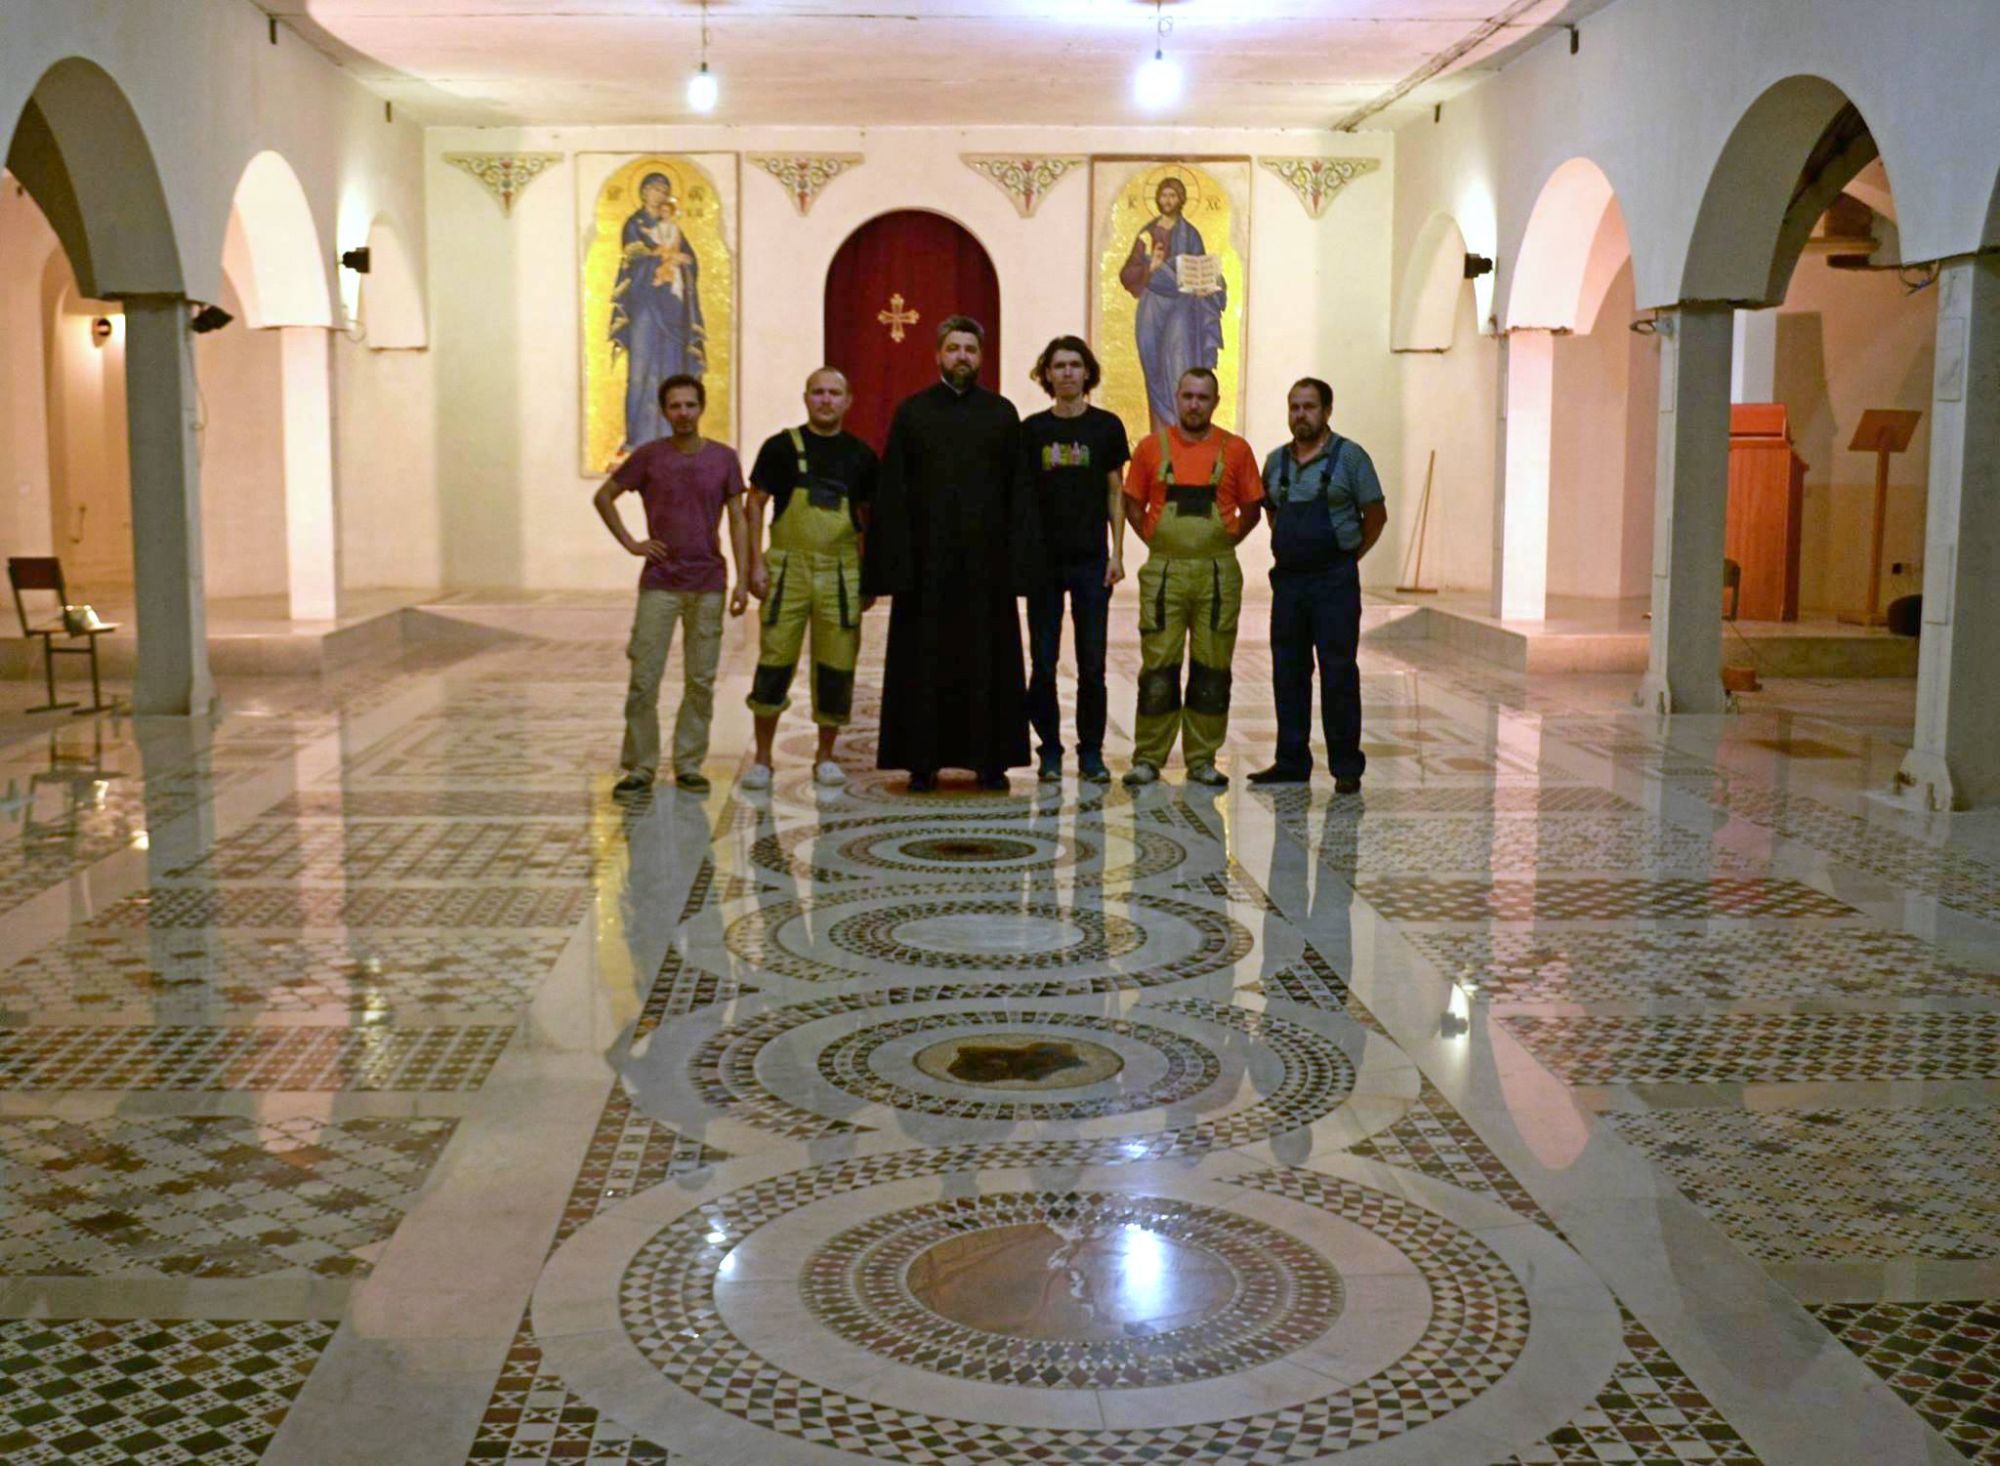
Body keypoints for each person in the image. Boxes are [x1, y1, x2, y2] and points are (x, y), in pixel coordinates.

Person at [862, 315, 1041, 792]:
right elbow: (893, 493)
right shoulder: (913, 413)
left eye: (970, 349)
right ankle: (921, 762)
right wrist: (892, 567)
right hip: (927, 568)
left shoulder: (1001, 415)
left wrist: (1020, 565)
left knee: (989, 663)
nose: (962, 356)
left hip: (987, 568)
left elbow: (1019, 493)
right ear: (938, 355)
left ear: (981, 358)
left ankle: (991, 761)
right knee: (923, 663)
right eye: (954, 348)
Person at [593, 373, 749, 796]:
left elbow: (738, 518)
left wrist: (742, 579)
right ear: (664, 411)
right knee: (644, 677)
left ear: (702, 408)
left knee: (700, 679)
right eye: (675, 406)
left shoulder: (724, 458)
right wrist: (632, 543)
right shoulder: (649, 456)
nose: (683, 413)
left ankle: (688, 762)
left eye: (690, 405)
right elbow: (604, 497)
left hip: (708, 581)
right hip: (660, 582)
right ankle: (640, 765)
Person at [1121, 366, 1263, 789]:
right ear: (1177, 397)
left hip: (1217, 575)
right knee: (1159, 669)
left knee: (1212, 669)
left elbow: (1253, 508)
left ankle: (1202, 759)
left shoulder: (1236, 450)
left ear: (1215, 402)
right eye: (1188, 396)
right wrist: (1155, 538)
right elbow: (1132, 503)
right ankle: (1148, 758)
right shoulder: (1150, 448)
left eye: (1203, 397)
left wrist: (1226, 539)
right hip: (1164, 573)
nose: (1195, 404)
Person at [1248, 377, 1387, 794]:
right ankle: (1291, 761)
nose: (1301, 415)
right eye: (1294, 407)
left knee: (1338, 671)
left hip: (1334, 582)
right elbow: (1273, 514)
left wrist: (1349, 555)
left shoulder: (1351, 458)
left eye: (1309, 407)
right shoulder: (1275, 462)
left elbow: (1376, 515)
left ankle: (1346, 766)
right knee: (1288, 671)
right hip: (1289, 583)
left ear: (1327, 411)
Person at [741, 367, 878, 791]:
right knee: (774, 662)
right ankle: (762, 759)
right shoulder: (779, 448)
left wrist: (868, 575)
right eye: (818, 392)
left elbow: (869, 519)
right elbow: (754, 504)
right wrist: (754, 565)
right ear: (805, 398)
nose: (826, 400)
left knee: (837, 666)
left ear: (848, 401)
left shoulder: (860, 455)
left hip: (841, 572)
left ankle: (826, 757)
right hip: (788, 572)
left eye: (834, 393)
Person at [1020, 336, 1129, 784]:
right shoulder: (1032, 430)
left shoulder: (1106, 427)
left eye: (1074, 365)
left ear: (1088, 373)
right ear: (1047, 374)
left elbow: (1115, 491)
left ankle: (1091, 752)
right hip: (1044, 563)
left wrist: (1117, 552)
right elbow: (1022, 498)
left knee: (1092, 664)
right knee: (1043, 663)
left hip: (1091, 561)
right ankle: (1049, 750)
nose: (1067, 372)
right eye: (1059, 365)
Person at [1118, 175, 1226, 436]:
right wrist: (1150, 267)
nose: (1167, 200)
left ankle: (1183, 433)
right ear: (1157, 199)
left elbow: (1202, 268)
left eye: (1173, 195)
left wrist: (1209, 286)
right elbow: (1127, 274)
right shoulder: (1147, 234)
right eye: (1164, 195)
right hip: (1152, 308)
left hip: (1182, 309)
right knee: (1154, 368)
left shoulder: (1191, 234)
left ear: (1181, 200)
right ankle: (1161, 437)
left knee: (1179, 367)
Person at [611, 172, 706, 453]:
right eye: (654, 188)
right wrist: (665, 257)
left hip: (673, 310)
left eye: (664, 190)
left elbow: (691, 262)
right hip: (644, 306)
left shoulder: (674, 228)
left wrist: (681, 263)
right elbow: (633, 258)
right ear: (643, 192)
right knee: (640, 371)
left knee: (673, 370)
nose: (658, 193)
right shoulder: (635, 224)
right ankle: (637, 438)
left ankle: (670, 436)